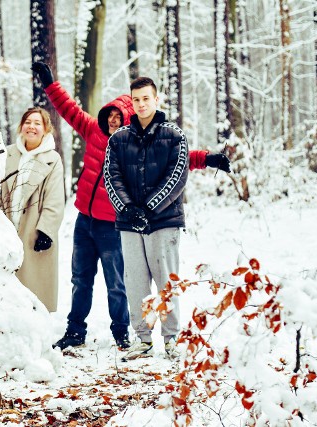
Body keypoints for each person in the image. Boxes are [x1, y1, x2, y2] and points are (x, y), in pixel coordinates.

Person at [32, 62, 229, 351]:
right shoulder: (95, 133)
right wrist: (50, 83)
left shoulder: (132, 141)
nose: (112, 120)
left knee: (118, 283)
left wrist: (208, 158)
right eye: (109, 115)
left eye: (118, 116)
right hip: (84, 220)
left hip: (113, 223)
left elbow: (178, 156)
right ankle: (75, 331)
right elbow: (68, 108)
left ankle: (123, 331)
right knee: (80, 279)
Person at [104, 76, 188, 359]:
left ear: (156, 99)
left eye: (146, 99)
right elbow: (111, 177)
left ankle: (171, 337)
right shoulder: (118, 139)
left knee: (166, 281)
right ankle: (142, 338)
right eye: (136, 99)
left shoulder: (174, 135)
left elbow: (176, 177)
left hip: (164, 221)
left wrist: (149, 209)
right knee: (136, 281)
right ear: (132, 102)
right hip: (129, 223)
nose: (141, 104)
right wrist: (129, 210)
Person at [0, 107, 65, 312]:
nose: (32, 127)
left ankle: (35, 332)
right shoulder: (6, 153)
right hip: (6, 228)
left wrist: (45, 231)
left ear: (46, 129)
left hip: (33, 232)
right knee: (4, 291)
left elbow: (54, 200)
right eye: (28, 122)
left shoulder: (52, 159)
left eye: (37, 123)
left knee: (32, 293)